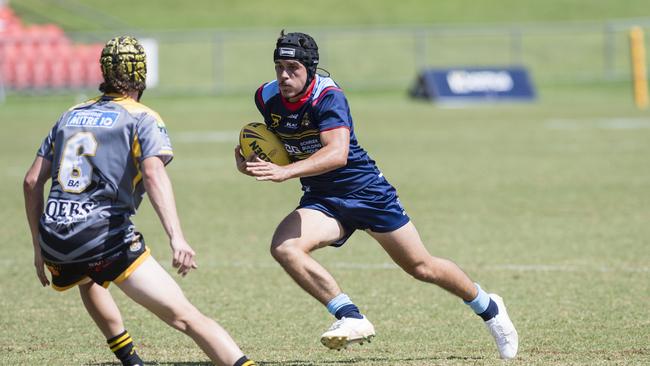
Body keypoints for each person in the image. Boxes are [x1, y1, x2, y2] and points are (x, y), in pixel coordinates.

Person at [235, 30, 518, 359]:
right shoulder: (266, 97)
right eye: (279, 66)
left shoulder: (328, 97)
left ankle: (490, 308)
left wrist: (285, 171)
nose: (284, 75)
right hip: (322, 198)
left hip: (366, 191)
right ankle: (350, 317)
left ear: (310, 68)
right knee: (285, 247)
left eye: (292, 67)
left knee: (421, 266)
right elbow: (276, 140)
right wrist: (251, 161)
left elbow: (337, 153)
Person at [24, 36, 256, 366]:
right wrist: (177, 237)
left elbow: (32, 180)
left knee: (86, 277)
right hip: (103, 238)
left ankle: (131, 360)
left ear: (104, 71)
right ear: (141, 76)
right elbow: (153, 174)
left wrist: (38, 248)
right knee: (186, 317)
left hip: (56, 240)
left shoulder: (70, 114)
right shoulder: (142, 117)